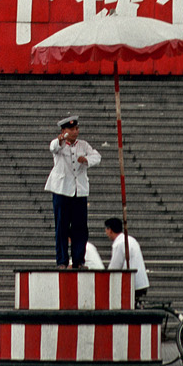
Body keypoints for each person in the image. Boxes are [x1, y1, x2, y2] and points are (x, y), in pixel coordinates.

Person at [44, 114, 101, 268]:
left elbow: (97, 156)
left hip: (79, 190)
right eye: (71, 129)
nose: (75, 131)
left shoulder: (83, 145)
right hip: (62, 190)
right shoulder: (59, 144)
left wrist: (87, 160)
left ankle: (78, 260)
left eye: (76, 128)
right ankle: (62, 261)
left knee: (80, 227)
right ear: (64, 131)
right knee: (61, 227)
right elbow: (53, 147)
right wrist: (61, 139)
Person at [104, 217, 150, 303]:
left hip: (132, 283)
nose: (105, 233)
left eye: (106, 229)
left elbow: (114, 267)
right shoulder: (130, 239)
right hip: (141, 281)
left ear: (110, 230)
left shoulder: (119, 243)